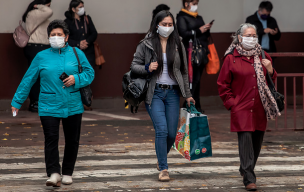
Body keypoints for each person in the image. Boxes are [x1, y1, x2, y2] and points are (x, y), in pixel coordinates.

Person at [11, 20, 95, 187]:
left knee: (72, 140)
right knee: (51, 139)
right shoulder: (41, 56)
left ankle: (68, 172)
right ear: (48, 37)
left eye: (59, 35)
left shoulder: (76, 53)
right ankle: (54, 173)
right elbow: (28, 79)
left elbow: (90, 73)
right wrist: (17, 101)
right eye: (52, 35)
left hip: (73, 104)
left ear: (66, 37)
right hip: (48, 104)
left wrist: (76, 79)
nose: (56, 38)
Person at [131, 10, 195, 182]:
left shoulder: (177, 43)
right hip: (155, 92)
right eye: (164, 24)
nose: (167, 27)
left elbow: (183, 71)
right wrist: (146, 68)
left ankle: (161, 159)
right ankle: (164, 168)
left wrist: (187, 95)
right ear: (156, 25)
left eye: (170, 24)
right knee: (162, 130)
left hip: (173, 93)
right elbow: (134, 66)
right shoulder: (146, 43)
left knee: (172, 134)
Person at [217, 23, 281, 191]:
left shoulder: (263, 55)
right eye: (248, 35)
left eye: (254, 36)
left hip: (260, 106)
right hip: (241, 107)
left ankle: (245, 169)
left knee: (256, 143)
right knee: (245, 141)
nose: (251, 39)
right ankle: (249, 178)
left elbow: (271, 79)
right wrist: (232, 103)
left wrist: (270, 69)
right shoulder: (231, 57)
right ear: (240, 38)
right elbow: (222, 84)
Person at [176, 0, 213, 113]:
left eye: (197, 3)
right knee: (193, 79)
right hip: (190, 52)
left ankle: (196, 104)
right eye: (193, 3)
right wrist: (199, 30)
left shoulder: (199, 17)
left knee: (198, 79)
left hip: (201, 51)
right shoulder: (181, 17)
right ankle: (188, 103)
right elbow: (183, 34)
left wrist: (206, 29)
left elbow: (203, 33)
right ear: (186, 3)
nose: (195, 5)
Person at [22, 0, 53, 112]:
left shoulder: (37, 15)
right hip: (36, 47)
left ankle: (38, 101)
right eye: (47, 4)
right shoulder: (34, 14)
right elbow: (49, 11)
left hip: (41, 48)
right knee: (36, 76)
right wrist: (40, 6)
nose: (49, 7)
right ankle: (35, 102)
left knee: (41, 75)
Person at [64, 0, 97, 67]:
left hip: (88, 53)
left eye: (83, 7)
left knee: (88, 74)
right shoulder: (67, 22)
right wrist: (78, 44)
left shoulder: (87, 19)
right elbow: (66, 38)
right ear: (73, 9)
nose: (82, 9)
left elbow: (94, 33)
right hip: (74, 54)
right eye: (80, 7)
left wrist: (87, 41)